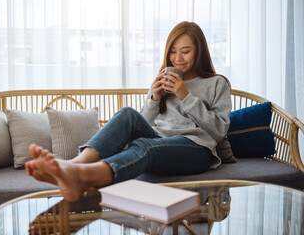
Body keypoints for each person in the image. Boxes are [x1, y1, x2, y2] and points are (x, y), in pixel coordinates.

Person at [25, 21, 232, 202]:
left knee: (145, 146)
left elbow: (219, 130)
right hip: (159, 141)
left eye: (185, 51)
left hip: (196, 149)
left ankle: (82, 177)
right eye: (172, 51)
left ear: (199, 51)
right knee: (127, 114)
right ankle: (74, 166)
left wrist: (185, 96)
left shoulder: (216, 83)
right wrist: (155, 98)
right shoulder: (163, 80)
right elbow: (142, 123)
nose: (177, 58)